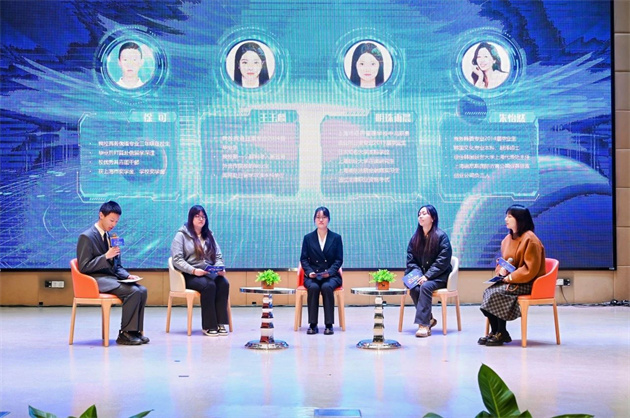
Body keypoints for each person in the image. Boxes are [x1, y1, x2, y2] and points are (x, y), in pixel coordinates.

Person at [76, 201, 148, 345]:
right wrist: (105, 257)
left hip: (110, 278)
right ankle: (125, 333)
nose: (113, 224)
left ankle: (135, 331)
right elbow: (84, 267)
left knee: (142, 290)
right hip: (95, 280)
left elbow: (117, 266)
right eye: (111, 220)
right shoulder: (86, 237)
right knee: (133, 291)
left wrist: (127, 276)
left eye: (116, 221)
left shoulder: (111, 238)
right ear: (101, 215)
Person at [478, 205, 546, 346]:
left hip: (528, 282)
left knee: (498, 294)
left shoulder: (531, 240)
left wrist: (510, 277)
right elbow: (504, 261)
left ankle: (501, 332)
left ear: (520, 220)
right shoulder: (507, 239)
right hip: (512, 280)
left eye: (510, 216)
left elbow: (530, 269)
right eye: (506, 216)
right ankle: (495, 331)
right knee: (488, 292)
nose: (506, 219)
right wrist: (501, 270)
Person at [171, 205, 230, 336]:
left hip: (207, 273)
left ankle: (220, 323)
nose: (201, 219)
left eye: (203, 217)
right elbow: (177, 260)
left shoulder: (209, 235)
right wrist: (193, 270)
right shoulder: (181, 235)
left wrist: (220, 268)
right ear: (191, 218)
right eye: (197, 216)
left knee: (223, 283)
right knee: (209, 286)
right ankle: (209, 326)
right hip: (189, 275)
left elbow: (218, 256)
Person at [404, 205, 453, 338]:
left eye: (424, 214)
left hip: (439, 277)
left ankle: (424, 325)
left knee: (425, 286)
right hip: (422, 276)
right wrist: (419, 275)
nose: (421, 216)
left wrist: (427, 276)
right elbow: (411, 260)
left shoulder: (441, 236)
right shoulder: (415, 238)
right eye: (419, 214)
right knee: (414, 287)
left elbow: (443, 260)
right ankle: (429, 319)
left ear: (433, 218)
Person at [300, 206, 343, 335]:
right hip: (313, 275)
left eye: (324, 217)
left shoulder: (336, 238)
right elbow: (303, 259)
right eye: (318, 217)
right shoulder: (308, 238)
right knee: (313, 288)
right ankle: (312, 325)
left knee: (326, 287)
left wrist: (329, 272)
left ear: (328, 219)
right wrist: (309, 272)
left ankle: (329, 325)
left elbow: (339, 260)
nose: (321, 220)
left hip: (331, 276)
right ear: (314, 219)